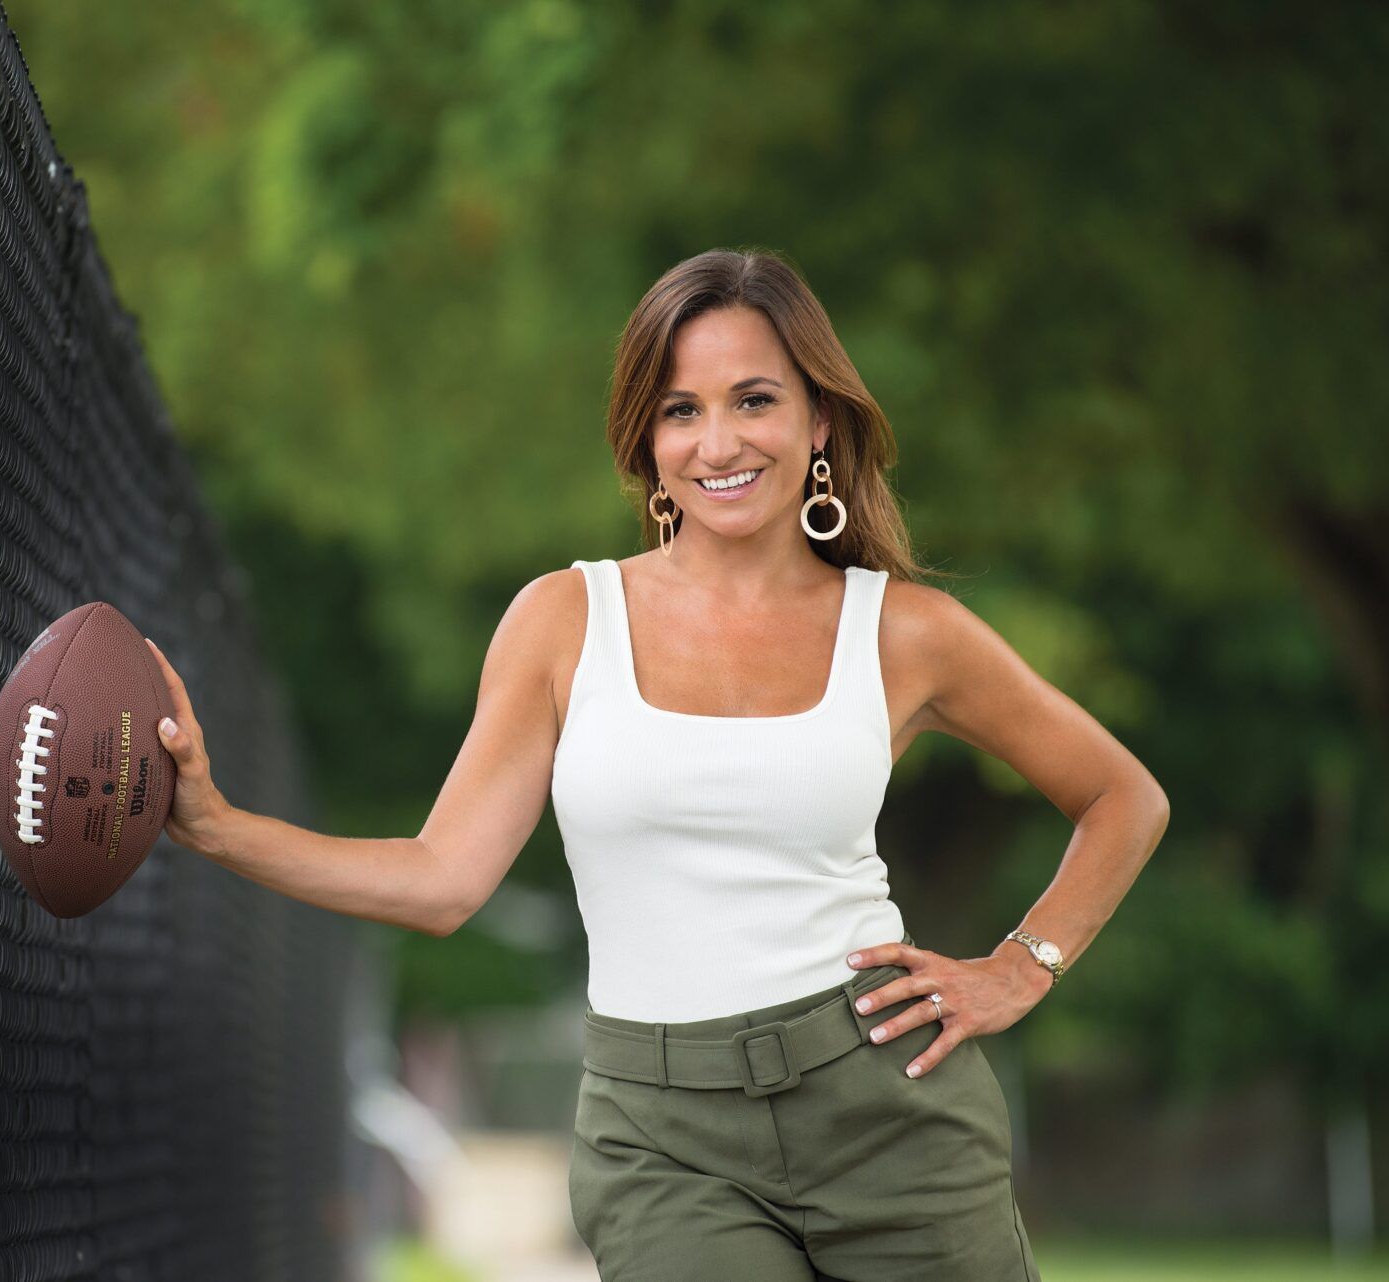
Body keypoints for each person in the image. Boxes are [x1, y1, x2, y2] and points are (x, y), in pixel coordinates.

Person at [143, 247, 1170, 1280]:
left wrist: (1019, 968)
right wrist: (218, 826)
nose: (717, 443)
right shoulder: (563, 619)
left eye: (754, 400)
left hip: (888, 1108)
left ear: (819, 419)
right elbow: (440, 881)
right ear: (647, 437)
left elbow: (1122, 796)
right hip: (663, 1140)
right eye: (681, 410)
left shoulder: (908, 631)